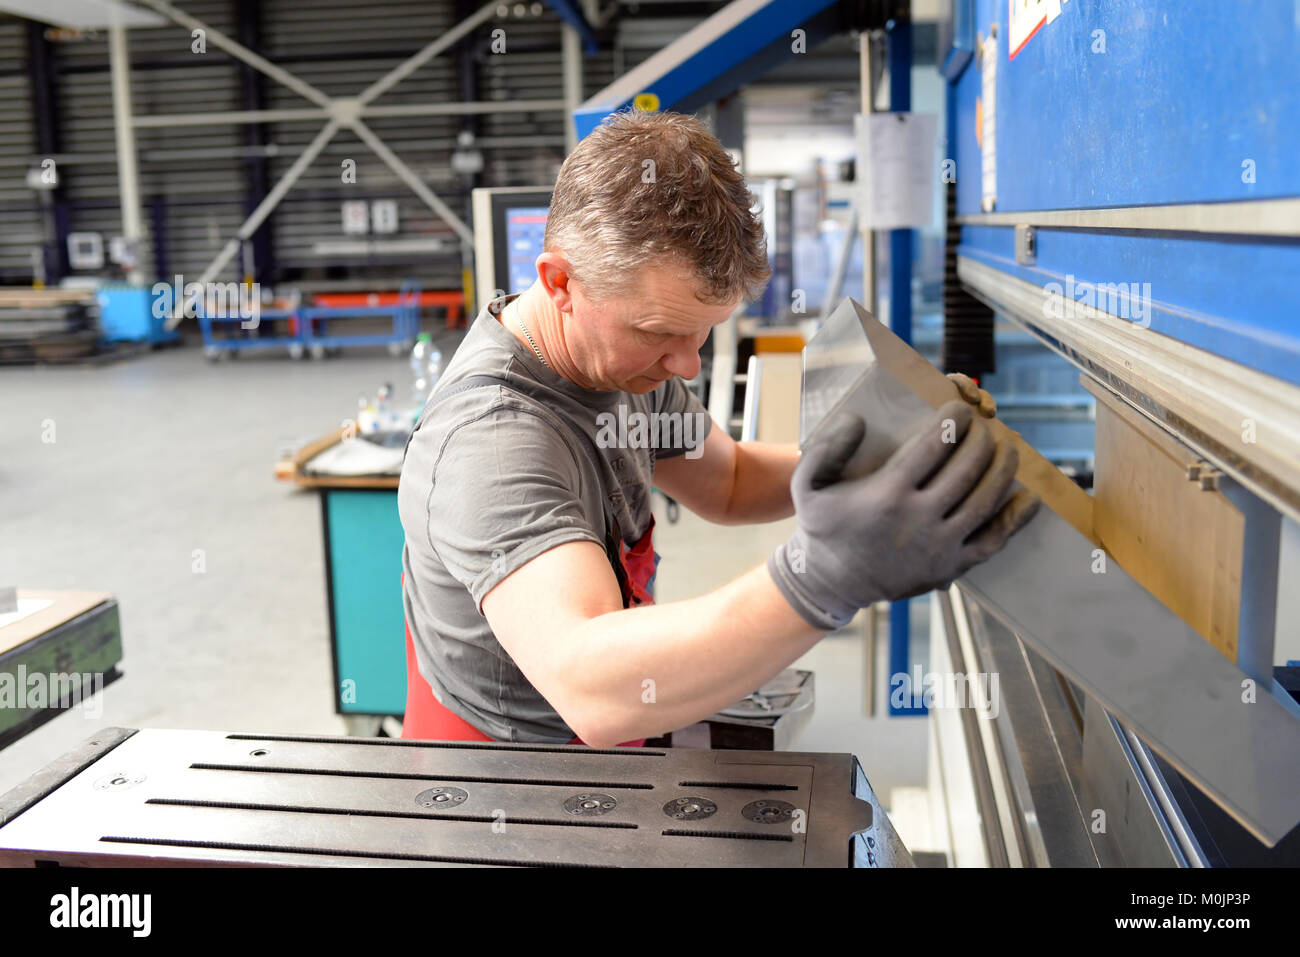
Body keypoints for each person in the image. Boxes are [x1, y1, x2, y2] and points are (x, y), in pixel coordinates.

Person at [398, 109, 1039, 748]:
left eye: (702, 333)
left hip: (620, 713)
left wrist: (884, 459)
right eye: (659, 334)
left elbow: (727, 480)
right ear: (561, 283)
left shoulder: (622, 363)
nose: (687, 364)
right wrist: (825, 575)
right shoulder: (491, 441)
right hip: (511, 773)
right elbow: (589, 684)